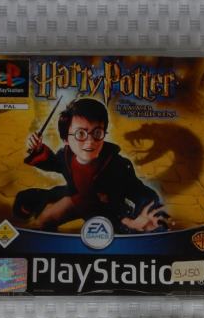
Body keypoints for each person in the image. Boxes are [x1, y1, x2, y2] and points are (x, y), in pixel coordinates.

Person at [13, 98, 168, 233]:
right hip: (79, 199)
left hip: (108, 211)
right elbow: (53, 163)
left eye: (97, 133)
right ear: (66, 139)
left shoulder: (118, 165)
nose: (90, 141)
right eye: (80, 134)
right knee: (42, 217)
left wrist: (147, 213)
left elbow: (140, 192)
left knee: (127, 229)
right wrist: (38, 149)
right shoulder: (66, 155)